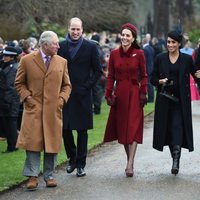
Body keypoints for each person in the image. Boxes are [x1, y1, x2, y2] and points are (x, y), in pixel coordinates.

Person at [15, 31, 71, 190]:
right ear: (44, 45)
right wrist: (28, 99)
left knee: (51, 143)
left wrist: (61, 99)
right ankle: (32, 176)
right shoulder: (26, 60)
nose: (58, 46)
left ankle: (49, 175)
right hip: (34, 109)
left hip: (53, 110)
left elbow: (67, 86)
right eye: (55, 44)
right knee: (33, 143)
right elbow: (19, 83)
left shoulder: (62, 62)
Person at [150, 30, 200, 176]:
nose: (170, 45)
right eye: (168, 42)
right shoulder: (160, 58)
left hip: (180, 102)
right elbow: (152, 78)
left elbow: (195, 76)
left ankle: (176, 161)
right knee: (169, 130)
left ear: (179, 44)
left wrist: (198, 75)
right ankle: (174, 156)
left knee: (177, 127)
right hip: (164, 100)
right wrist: (159, 81)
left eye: (173, 42)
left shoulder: (186, 59)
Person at [58, 17, 102, 177]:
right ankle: (72, 158)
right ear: (68, 29)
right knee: (65, 129)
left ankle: (81, 164)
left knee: (82, 131)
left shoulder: (90, 47)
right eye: (73, 29)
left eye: (78, 29)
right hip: (65, 95)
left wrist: (86, 87)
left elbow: (98, 71)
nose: (75, 32)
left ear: (82, 30)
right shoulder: (61, 46)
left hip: (83, 95)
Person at [103, 23, 148, 177]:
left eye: (128, 35)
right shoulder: (114, 54)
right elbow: (110, 76)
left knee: (133, 127)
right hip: (120, 94)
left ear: (133, 38)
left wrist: (144, 92)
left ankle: (129, 165)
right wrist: (108, 94)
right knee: (123, 129)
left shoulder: (139, 54)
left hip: (135, 94)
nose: (125, 37)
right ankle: (130, 159)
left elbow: (144, 75)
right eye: (123, 34)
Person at [0, 46, 20, 152]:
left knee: (11, 123)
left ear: (12, 57)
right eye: (4, 55)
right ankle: (12, 145)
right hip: (7, 100)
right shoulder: (8, 66)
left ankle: (13, 146)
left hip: (10, 101)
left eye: (7, 55)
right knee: (8, 123)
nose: (4, 57)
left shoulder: (13, 68)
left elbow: (10, 87)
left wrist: (6, 101)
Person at [91, 33, 107, 114]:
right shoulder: (100, 50)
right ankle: (97, 109)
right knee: (98, 92)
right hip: (100, 74)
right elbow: (103, 63)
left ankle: (96, 110)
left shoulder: (91, 49)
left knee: (95, 91)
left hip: (93, 74)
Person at [142, 37, 155, 102]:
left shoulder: (144, 49)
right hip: (152, 67)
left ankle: (150, 98)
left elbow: (144, 60)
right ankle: (151, 97)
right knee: (150, 83)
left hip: (147, 68)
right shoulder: (151, 48)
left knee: (148, 84)